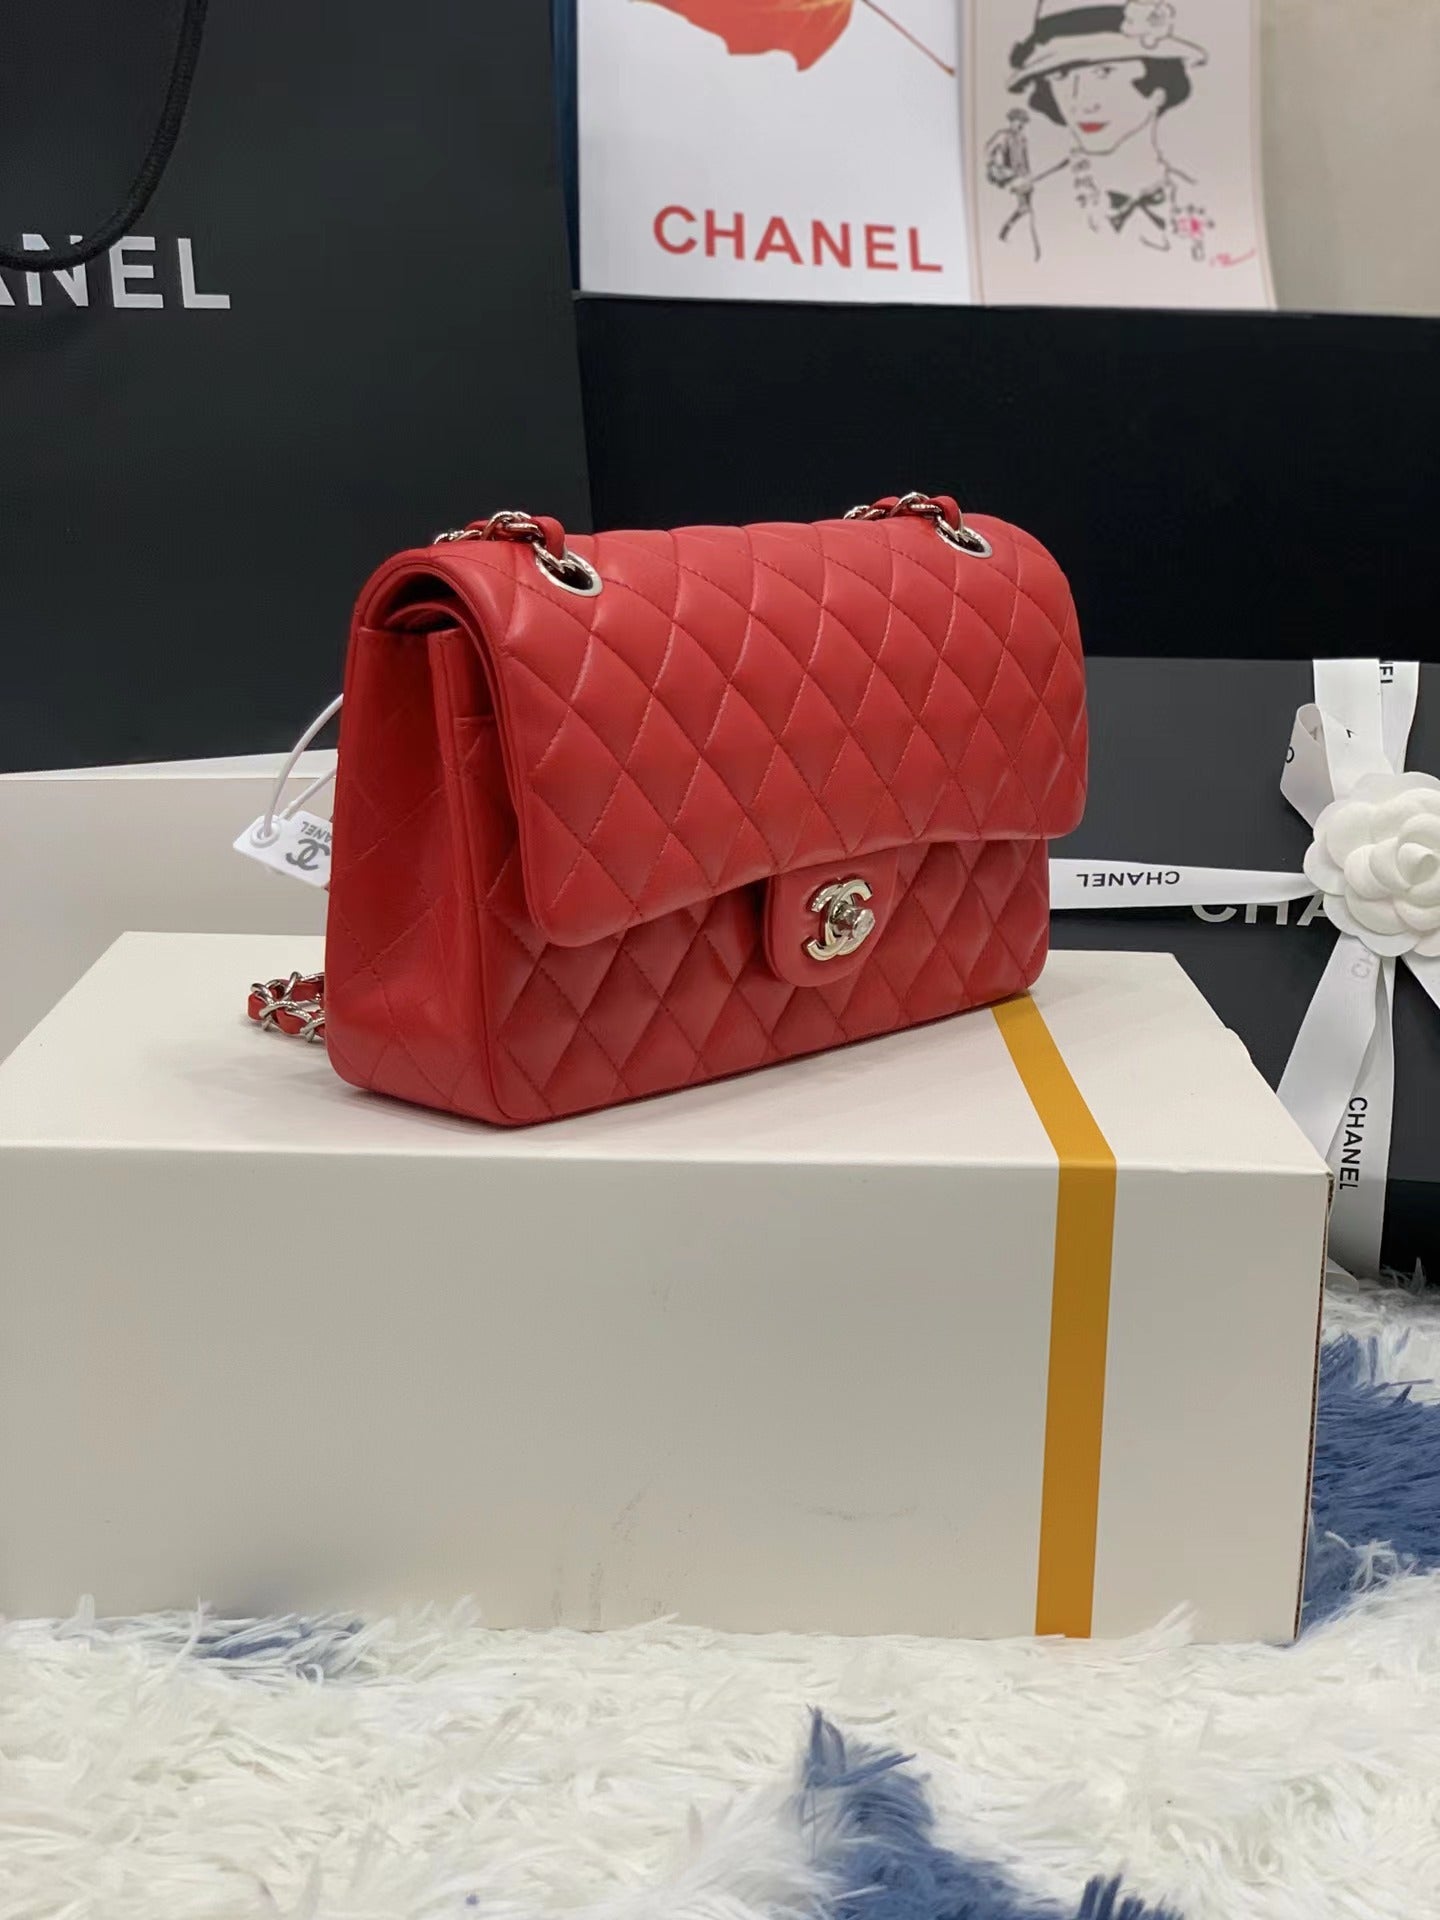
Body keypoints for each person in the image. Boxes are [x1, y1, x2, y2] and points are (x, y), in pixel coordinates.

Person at [992, 0, 1211, 261]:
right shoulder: (1036, 211)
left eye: (1103, 72)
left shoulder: (1207, 197)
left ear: (1158, 88)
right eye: (1061, 76)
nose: (1081, 100)